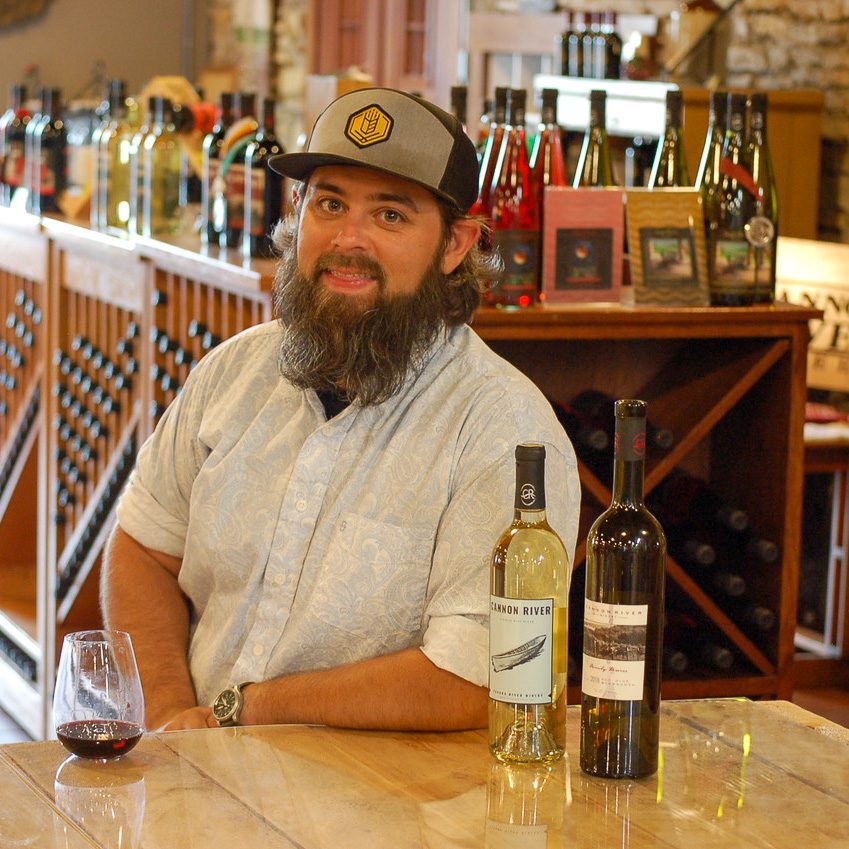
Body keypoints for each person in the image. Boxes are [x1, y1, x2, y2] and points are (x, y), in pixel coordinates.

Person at [102, 87, 580, 732]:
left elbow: (483, 676)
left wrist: (245, 710)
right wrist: (168, 719)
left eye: (391, 216)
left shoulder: (503, 431)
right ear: (295, 212)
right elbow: (144, 548)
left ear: (456, 245)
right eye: (329, 204)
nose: (348, 240)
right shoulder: (233, 373)